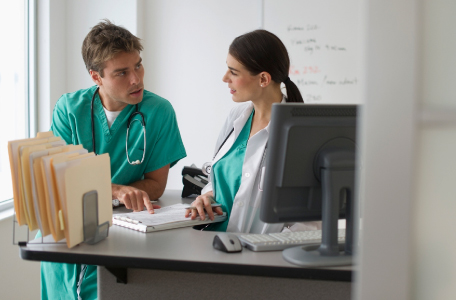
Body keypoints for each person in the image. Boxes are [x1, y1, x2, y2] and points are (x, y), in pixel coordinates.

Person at [40, 20, 186, 300]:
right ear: (96, 77)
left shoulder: (159, 111)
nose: (136, 79)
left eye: (138, 66)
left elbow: (155, 184)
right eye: (122, 72)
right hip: (68, 238)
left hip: (123, 239)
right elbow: (60, 180)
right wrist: (116, 189)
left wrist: (100, 189)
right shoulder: (69, 109)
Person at [186, 29, 317, 234]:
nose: (225, 78)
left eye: (234, 72)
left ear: (263, 79)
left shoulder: (302, 134)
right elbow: (216, 177)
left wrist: (268, 251)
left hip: (260, 257)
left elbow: (311, 220)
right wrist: (208, 195)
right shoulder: (236, 118)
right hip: (215, 245)